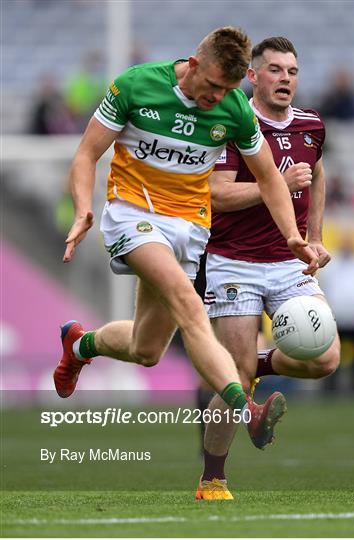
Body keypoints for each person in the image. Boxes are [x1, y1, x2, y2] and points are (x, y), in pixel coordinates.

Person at [53, 27, 319, 476]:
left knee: (147, 348)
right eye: (213, 85)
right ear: (193, 65)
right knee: (189, 304)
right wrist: (83, 208)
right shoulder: (136, 85)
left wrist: (292, 234)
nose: (218, 96)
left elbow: (271, 177)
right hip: (133, 214)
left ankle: (80, 344)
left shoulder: (234, 107)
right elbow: (86, 155)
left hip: (188, 226)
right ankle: (246, 408)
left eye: (228, 89)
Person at [197, 37, 340, 500]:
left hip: (289, 261)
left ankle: (251, 363)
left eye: (292, 71)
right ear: (253, 76)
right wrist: (275, 183)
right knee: (236, 380)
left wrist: (315, 237)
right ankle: (213, 480)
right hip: (233, 260)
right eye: (275, 70)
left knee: (325, 359)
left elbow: (316, 175)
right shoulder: (231, 120)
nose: (285, 79)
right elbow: (217, 194)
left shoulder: (311, 125)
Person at [319, 230, 354, 391]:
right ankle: (330, 386)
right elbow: (325, 286)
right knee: (332, 352)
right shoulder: (331, 261)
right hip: (335, 316)